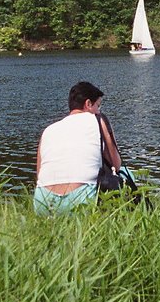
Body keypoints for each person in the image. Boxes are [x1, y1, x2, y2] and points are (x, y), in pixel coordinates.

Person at [34, 81, 122, 215]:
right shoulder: (98, 121)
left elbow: (39, 174)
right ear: (88, 104)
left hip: (42, 202)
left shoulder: (48, 130)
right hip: (78, 202)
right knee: (126, 173)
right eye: (98, 106)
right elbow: (116, 164)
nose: (99, 111)